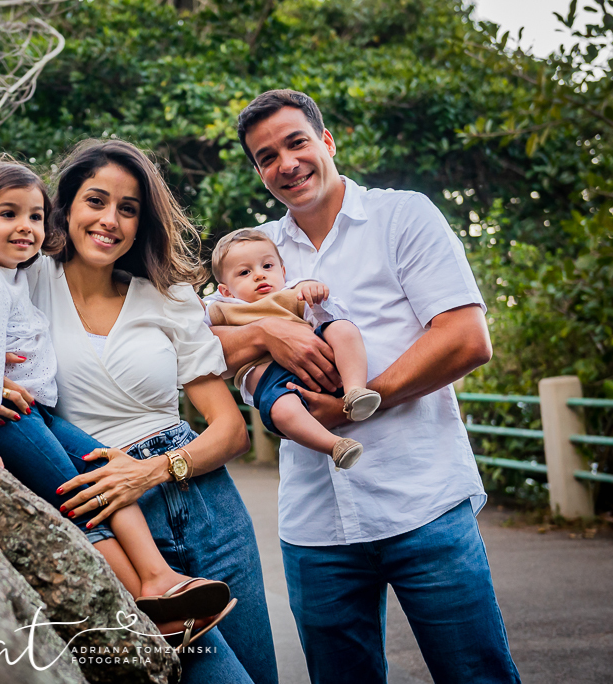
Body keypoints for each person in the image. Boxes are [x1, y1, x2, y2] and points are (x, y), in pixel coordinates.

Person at [0, 139, 278, 684]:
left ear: (141, 223)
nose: (110, 219)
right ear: (66, 208)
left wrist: (150, 473)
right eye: (96, 200)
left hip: (209, 508)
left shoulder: (169, 297)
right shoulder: (22, 276)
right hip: (107, 511)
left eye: (128, 208)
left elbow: (230, 431)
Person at [212, 89, 521, 683]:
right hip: (315, 522)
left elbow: (465, 337)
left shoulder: (402, 215)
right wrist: (273, 340)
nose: (286, 163)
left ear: (327, 142)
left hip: (422, 500)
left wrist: (356, 404)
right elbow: (209, 347)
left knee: (475, 675)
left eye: (296, 143)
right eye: (266, 156)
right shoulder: (263, 252)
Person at [205, 227, 380, 469]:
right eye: (244, 272)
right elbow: (195, 336)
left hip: (316, 355)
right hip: (272, 379)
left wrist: (316, 294)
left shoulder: (292, 292)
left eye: (267, 266)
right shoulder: (221, 307)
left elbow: (327, 315)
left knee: (342, 328)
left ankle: (355, 391)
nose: (259, 275)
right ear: (225, 290)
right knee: (282, 410)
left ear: (283, 271)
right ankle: (335, 446)